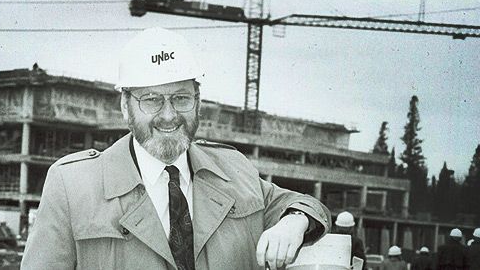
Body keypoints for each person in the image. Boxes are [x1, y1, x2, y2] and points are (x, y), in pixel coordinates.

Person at [20, 27, 331, 270]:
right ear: (125, 106)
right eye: (152, 99)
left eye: (181, 98)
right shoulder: (73, 186)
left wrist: (293, 222)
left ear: (198, 100)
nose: (169, 115)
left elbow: (304, 205)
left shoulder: (234, 171)